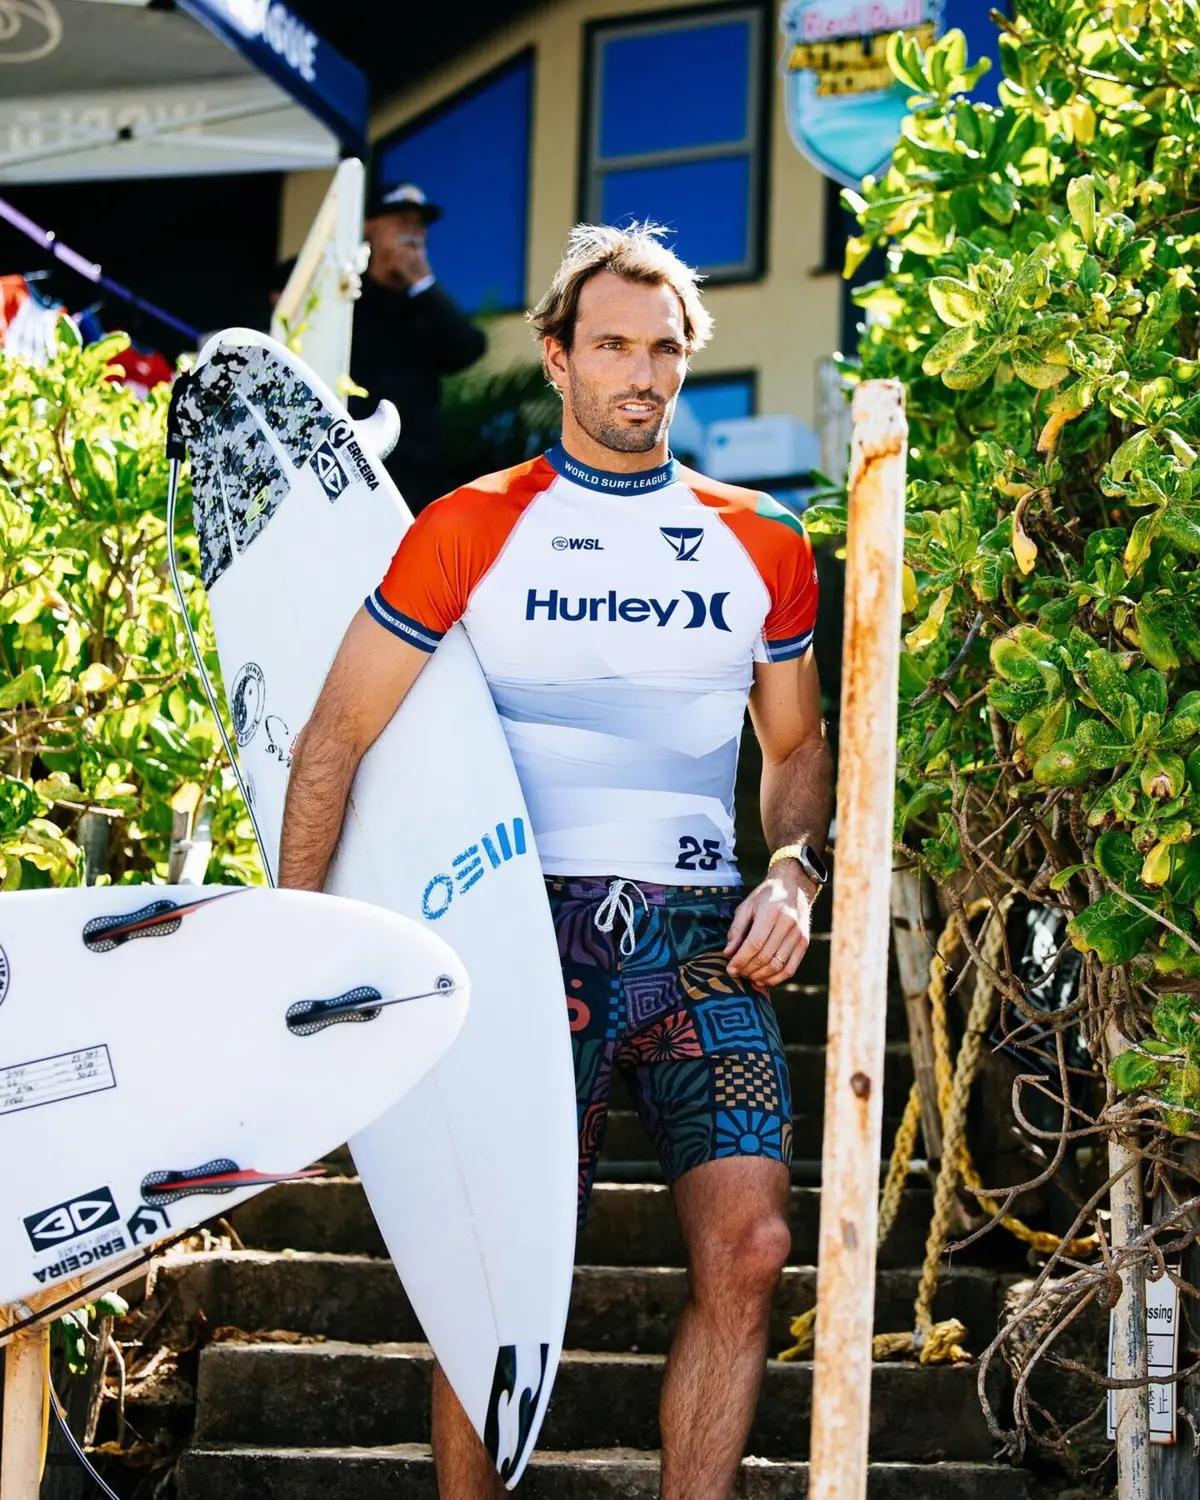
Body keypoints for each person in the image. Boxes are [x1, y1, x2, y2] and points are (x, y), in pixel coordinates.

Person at [278, 222, 832, 1500]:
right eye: (613, 346)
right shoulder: (471, 526)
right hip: (522, 939)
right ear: (557, 357)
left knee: (752, 1247)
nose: (641, 373)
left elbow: (796, 747)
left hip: (700, 938)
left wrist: (794, 869)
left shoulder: (762, 538)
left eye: (664, 349)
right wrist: (293, 952)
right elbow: (334, 736)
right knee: (495, 1270)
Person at [350, 180, 486, 511]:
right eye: (400, 221)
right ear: (370, 226)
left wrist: (423, 283)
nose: (412, 233)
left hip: (421, 475)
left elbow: (468, 349)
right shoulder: (348, 296)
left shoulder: (424, 302)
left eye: (419, 225)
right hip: (357, 467)